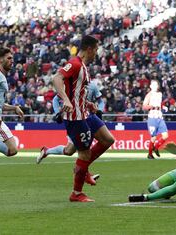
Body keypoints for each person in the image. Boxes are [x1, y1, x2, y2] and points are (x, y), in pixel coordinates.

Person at [52, 35, 114, 202]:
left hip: (85, 112)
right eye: (95, 50)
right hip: (75, 117)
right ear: (89, 49)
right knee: (84, 154)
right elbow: (56, 78)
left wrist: (88, 104)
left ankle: (83, 168)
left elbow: (76, 93)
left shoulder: (83, 67)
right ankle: (76, 193)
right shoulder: (75, 63)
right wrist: (64, 99)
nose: (96, 54)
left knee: (108, 139)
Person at [36, 81, 110, 186]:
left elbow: (101, 101)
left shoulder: (92, 86)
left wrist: (100, 110)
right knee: (72, 150)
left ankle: (83, 172)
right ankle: (82, 174)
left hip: (89, 118)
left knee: (80, 149)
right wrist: (57, 113)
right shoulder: (72, 85)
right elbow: (56, 99)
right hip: (75, 120)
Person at [142, 80, 168, 159]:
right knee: (153, 137)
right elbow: (144, 106)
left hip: (159, 116)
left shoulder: (160, 94)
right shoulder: (149, 95)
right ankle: (150, 154)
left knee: (165, 136)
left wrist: (163, 107)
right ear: (150, 86)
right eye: (153, 85)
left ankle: (156, 147)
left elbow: (160, 104)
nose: (155, 86)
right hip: (152, 117)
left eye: (156, 85)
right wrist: (151, 106)